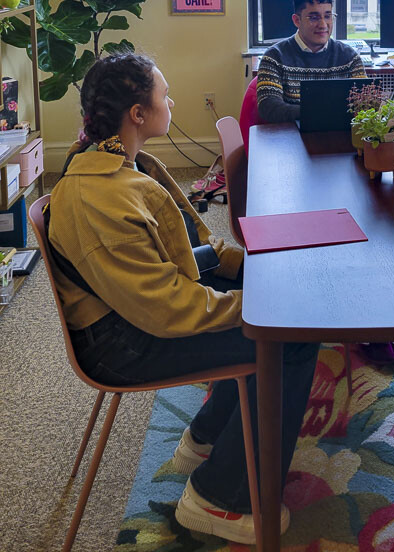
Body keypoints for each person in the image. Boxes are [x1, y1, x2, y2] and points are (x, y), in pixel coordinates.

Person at [48, 53, 320, 545]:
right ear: (137, 113)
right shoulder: (99, 196)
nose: (170, 101)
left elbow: (185, 251)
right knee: (290, 337)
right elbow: (169, 309)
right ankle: (220, 497)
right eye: (164, 94)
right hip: (124, 344)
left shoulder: (126, 164)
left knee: (274, 301)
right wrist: (266, 309)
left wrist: (250, 267)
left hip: (144, 311)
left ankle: (205, 440)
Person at [255, 0, 367, 124]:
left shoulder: (349, 57)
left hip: (338, 136)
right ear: (297, 20)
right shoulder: (274, 57)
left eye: (328, 16)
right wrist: (322, 112)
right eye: (314, 17)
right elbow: (269, 107)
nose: (323, 24)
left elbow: (364, 103)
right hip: (290, 137)